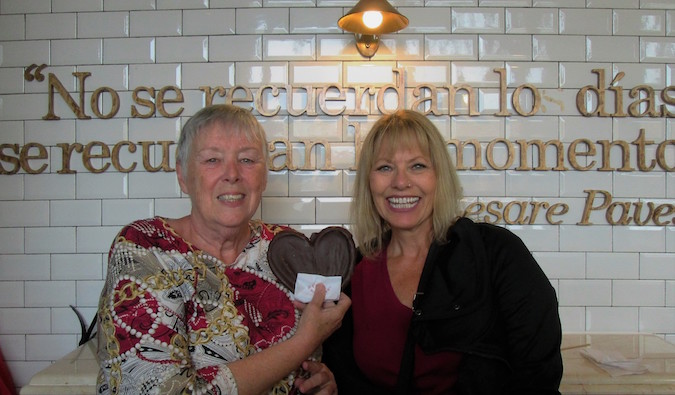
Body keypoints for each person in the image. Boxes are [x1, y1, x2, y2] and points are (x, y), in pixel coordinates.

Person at [96, 104, 351, 395]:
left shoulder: (285, 248)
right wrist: (302, 344)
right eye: (212, 160)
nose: (232, 174)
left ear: (264, 176)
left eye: (247, 159)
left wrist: (321, 380)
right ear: (183, 176)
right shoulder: (145, 249)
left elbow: (308, 364)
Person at [323, 110, 563, 394]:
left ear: (440, 176)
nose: (400, 182)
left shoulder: (496, 254)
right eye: (385, 167)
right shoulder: (354, 271)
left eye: (418, 166)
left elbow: (538, 375)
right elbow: (343, 377)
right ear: (369, 182)